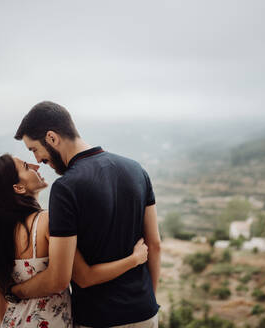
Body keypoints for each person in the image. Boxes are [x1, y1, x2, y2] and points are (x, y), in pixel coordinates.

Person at [11, 101, 161, 327]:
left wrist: (15, 291)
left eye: (34, 149)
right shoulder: (137, 170)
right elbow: (155, 244)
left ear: (52, 138)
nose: (38, 160)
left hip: (98, 318)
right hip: (146, 314)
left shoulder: (65, 188)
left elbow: (79, 277)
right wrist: (148, 300)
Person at [0, 154, 149, 327]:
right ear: (19, 188)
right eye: (26, 167)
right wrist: (134, 259)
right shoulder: (47, 222)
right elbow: (85, 276)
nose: (36, 166)